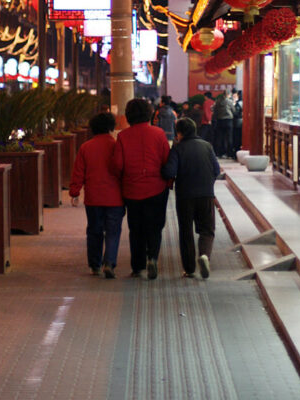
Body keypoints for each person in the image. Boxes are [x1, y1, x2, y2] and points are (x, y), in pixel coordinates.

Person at [112, 99, 171, 279]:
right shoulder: (159, 133)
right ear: (149, 113)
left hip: (132, 189)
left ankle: (137, 266)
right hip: (157, 188)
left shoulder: (122, 136)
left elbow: (117, 164)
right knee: (154, 226)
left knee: (136, 228)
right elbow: (165, 160)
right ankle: (152, 257)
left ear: (128, 116)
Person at [161, 118, 221, 279]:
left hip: (185, 196)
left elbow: (169, 171)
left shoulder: (178, 148)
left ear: (179, 133)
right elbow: (216, 170)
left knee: (186, 232)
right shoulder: (207, 146)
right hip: (206, 195)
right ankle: (204, 256)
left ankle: (189, 269)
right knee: (207, 230)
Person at [70, 112, 125, 279]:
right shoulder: (117, 145)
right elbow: (123, 170)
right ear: (111, 127)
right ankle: (109, 262)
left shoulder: (86, 147)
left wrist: (75, 191)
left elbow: (78, 172)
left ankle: (95, 266)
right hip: (115, 197)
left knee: (94, 230)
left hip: (93, 198)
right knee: (113, 231)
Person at [213, 89, 236, 158]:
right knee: (229, 138)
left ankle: (218, 153)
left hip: (220, 121)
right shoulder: (230, 101)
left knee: (219, 138)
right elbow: (234, 110)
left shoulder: (218, 101)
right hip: (228, 121)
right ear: (228, 95)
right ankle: (229, 154)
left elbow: (215, 111)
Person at [232, 90, 243, 157]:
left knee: (237, 138)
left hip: (238, 123)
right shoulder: (246, 102)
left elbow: (236, 113)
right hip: (244, 123)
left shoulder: (238, 103)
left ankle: (236, 153)